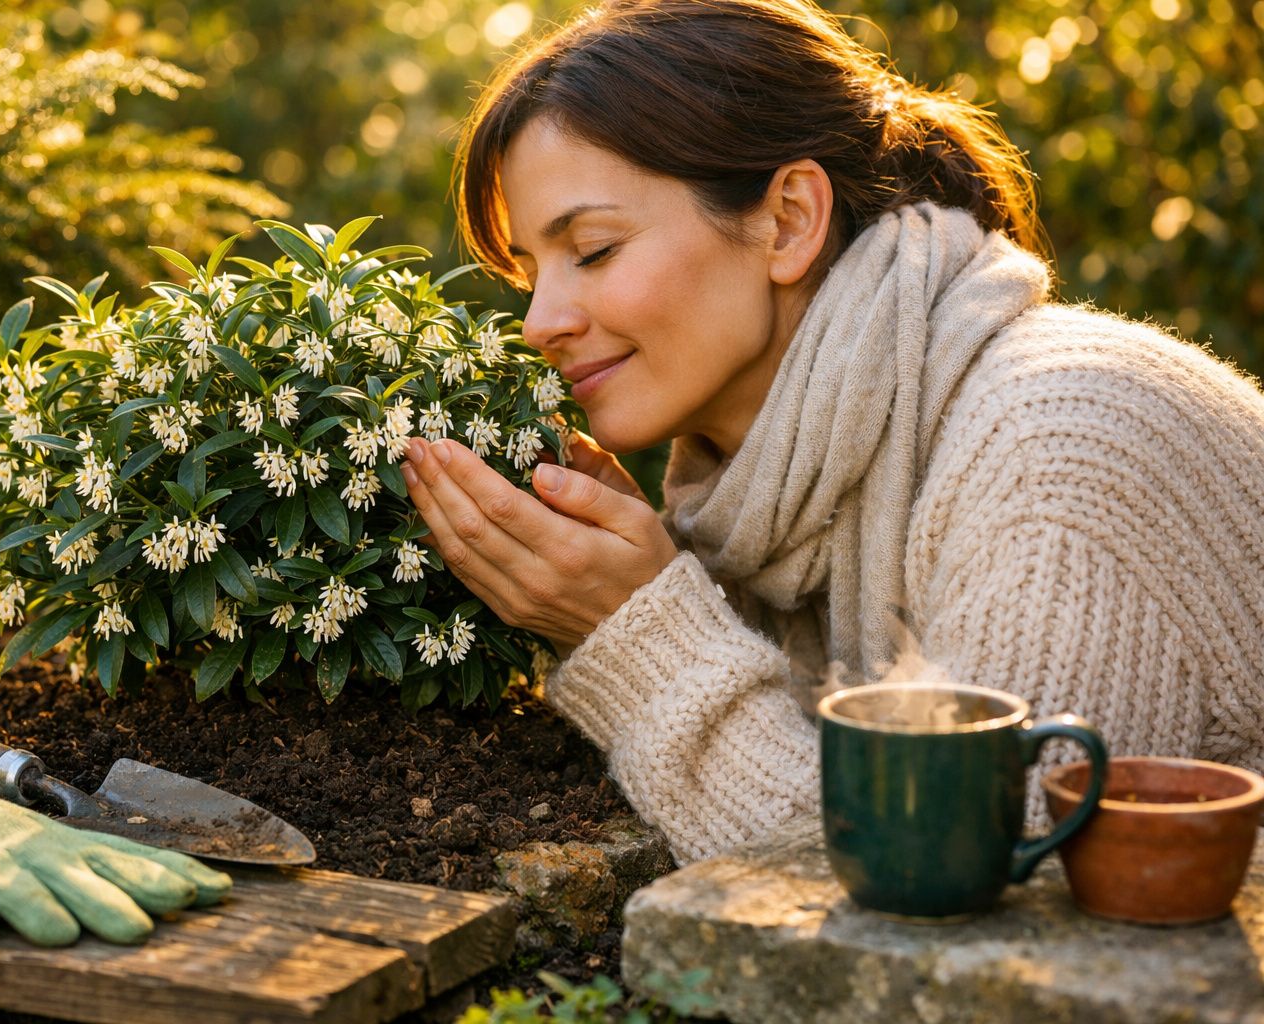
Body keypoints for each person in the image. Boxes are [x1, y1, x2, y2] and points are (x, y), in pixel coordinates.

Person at [396, 0, 1264, 863]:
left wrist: (635, 629)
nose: (541, 322)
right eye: (527, 275)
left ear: (788, 221)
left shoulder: (1053, 455)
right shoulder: (777, 497)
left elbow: (957, 897)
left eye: (591, 250)